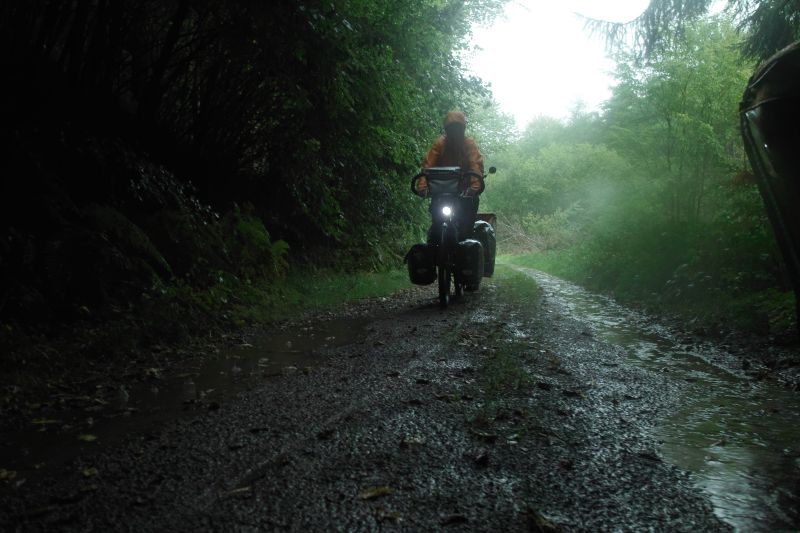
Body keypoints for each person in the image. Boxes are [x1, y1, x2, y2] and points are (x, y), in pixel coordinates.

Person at [416, 111, 484, 241]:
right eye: (452, 128)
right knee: (436, 225)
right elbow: (427, 166)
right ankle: (434, 246)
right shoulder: (440, 144)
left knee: (466, 227)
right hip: (441, 192)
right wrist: (422, 186)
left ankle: (467, 248)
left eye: (457, 128)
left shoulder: (469, 144)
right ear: (447, 129)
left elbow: (475, 164)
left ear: (462, 129)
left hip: (464, 192)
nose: (455, 132)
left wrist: (474, 187)